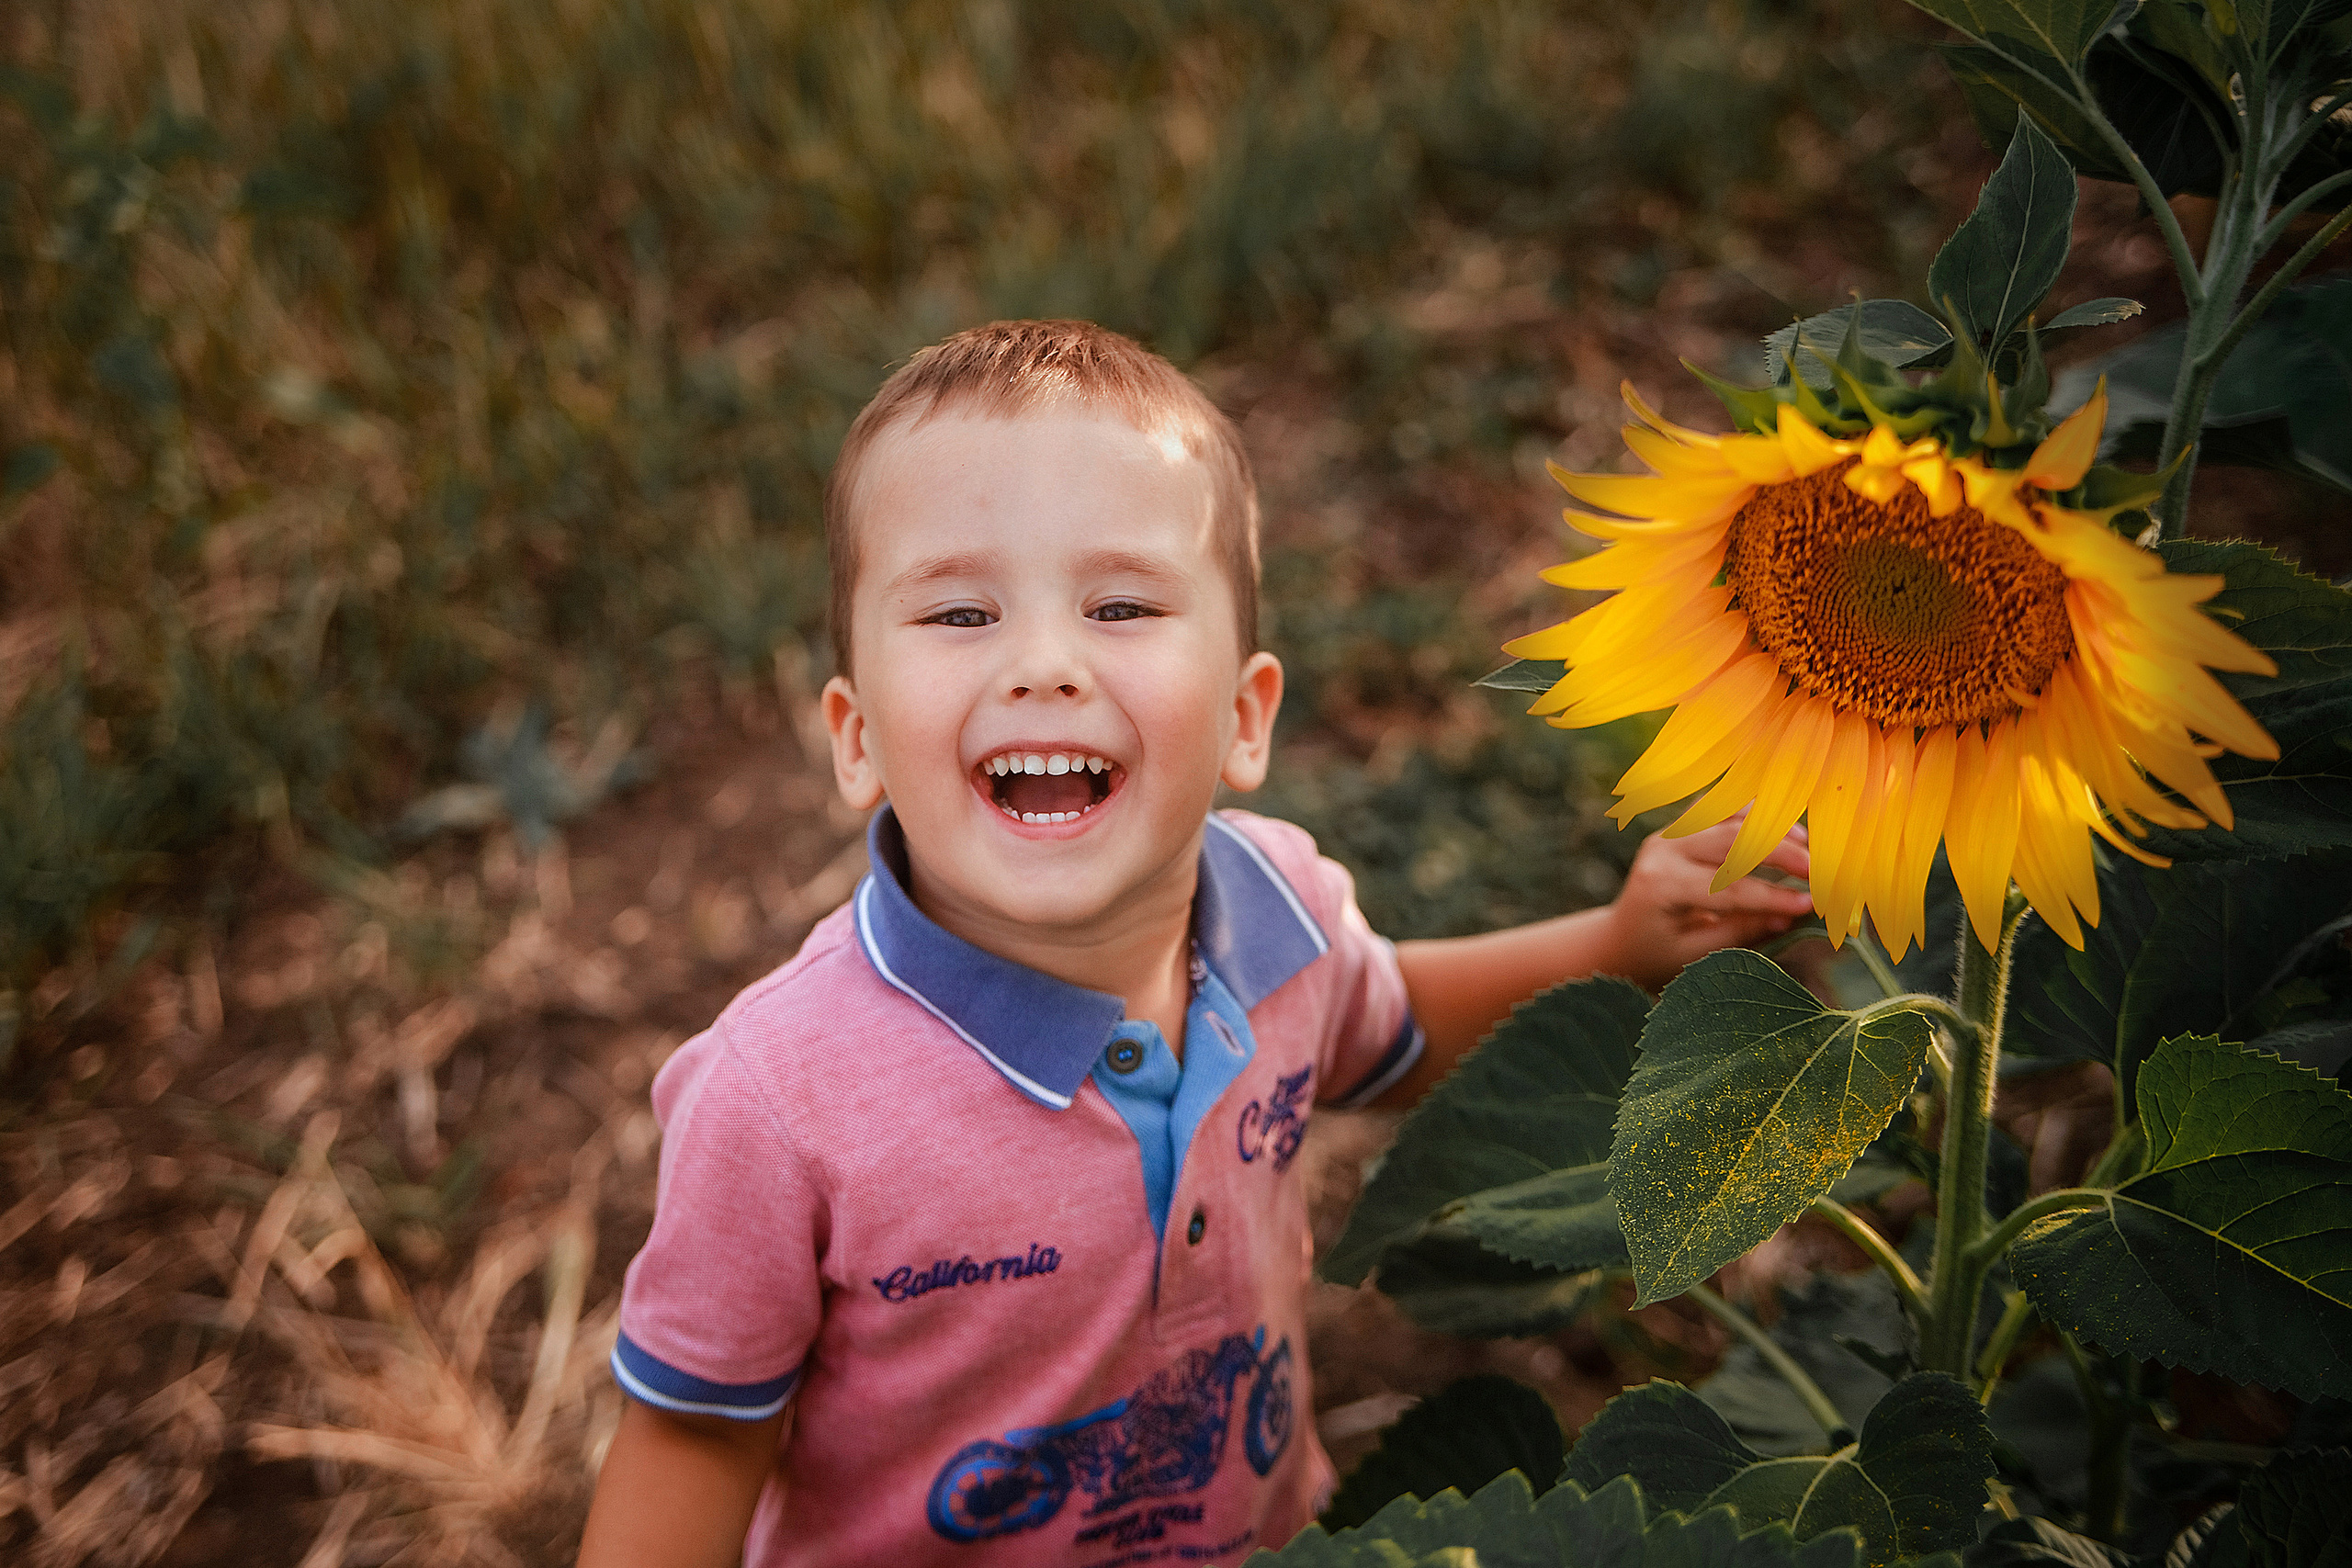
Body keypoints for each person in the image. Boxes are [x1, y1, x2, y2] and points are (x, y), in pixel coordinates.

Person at [575, 321, 1813, 1568]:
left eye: (1119, 604)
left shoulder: (1283, 913)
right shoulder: (782, 1103)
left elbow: (1392, 1032)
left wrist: (1622, 942)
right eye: (959, 612)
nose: (1044, 664)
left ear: (1243, 716)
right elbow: (696, 1441)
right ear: (854, 740)